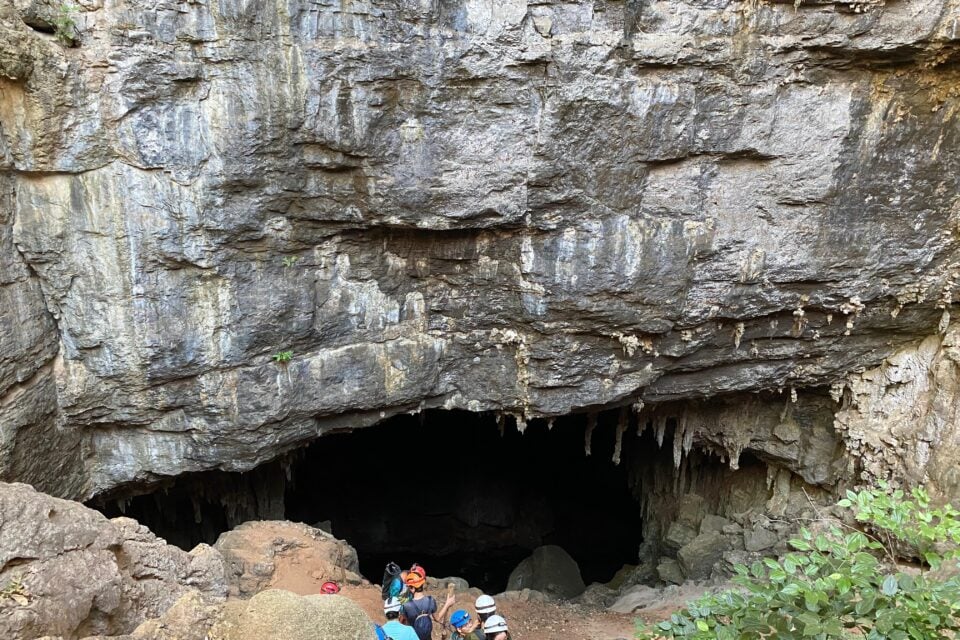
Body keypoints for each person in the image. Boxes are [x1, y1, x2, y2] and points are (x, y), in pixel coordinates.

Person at [400, 568, 454, 640]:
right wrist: (447, 604)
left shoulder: (407, 605)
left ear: (412, 588)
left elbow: (403, 624)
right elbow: (437, 618)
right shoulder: (430, 600)